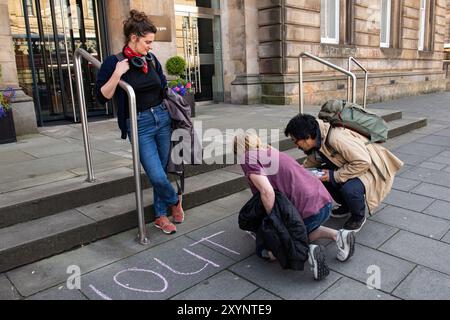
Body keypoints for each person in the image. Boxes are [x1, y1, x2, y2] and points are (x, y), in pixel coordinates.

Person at [95, 10, 184, 235]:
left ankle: (160, 216)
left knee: (162, 170)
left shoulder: (151, 60)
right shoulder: (113, 62)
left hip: (162, 119)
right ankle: (175, 199)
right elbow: (102, 96)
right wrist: (117, 74)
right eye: (147, 42)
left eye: (151, 42)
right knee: (155, 174)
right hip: (139, 123)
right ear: (133, 37)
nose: (150, 46)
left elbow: (162, 86)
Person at [234, 133, 356, 281]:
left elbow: (267, 192)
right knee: (304, 229)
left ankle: (308, 252)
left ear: (239, 149)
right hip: (323, 203)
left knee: (275, 242)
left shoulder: (248, 158)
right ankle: (338, 235)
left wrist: (275, 221)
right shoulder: (270, 151)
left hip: (307, 208)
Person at [285, 114, 404, 232]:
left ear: (306, 137)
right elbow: (312, 161)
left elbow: (363, 162)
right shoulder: (318, 139)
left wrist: (334, 175)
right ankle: (347, 206)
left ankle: (358, 217)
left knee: (349, 188)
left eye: (295, 141)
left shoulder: (336, 138)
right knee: (320, 176)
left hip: (371, 169)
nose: (296, 145)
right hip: (350, 166)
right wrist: (297, 172)